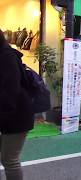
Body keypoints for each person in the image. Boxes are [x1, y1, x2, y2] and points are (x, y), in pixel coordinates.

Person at [0, 29, 34, 180]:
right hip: (9, 114)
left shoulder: (6, 57)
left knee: (10, 160)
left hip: (16, 116)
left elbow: (10, 92)